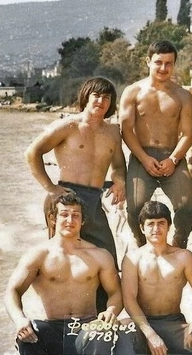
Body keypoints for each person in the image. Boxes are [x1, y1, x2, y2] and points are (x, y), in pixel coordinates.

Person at [4, 192, 134, 355]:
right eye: (64, 214)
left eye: (75, 216)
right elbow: (12, 291)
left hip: (89, 328)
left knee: (121, 329)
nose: (70, 221)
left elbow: (115, 292)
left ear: (83, 221)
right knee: (27, 333)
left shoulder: (99, 255)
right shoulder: (38, 255)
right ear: (53, 219)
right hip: (53, 328)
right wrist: (19, 320)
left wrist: (110, 311)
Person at [26, 76, 125, 263]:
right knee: (65, 259)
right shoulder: (68, 126)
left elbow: (119, 166)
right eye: (96, 95)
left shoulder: (113, 132)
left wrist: (120, 181)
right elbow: (32, 153)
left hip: (95, 200)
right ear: (86, 97)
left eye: (106, 97)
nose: (101, 101)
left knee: (107, 257)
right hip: (67, 196)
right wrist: (50, 188)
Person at [119, 40, 192, 249]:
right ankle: (144, 247)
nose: (163, 68)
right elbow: (126, 130)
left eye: (168, 63)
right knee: (135, 207)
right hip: (141, 154)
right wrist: (144, 159)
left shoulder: (183, 95)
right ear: (148, 62)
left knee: (188, 206)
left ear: (174, 65)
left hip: (173, 155)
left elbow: (188, 134)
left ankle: (178, 246)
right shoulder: (133, 92)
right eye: (158, 62)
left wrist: (173, 159)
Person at [120, 201, 192, 355]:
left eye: (161, 223)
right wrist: (150, 334)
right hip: (142, 323)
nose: (156, 229)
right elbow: (129, 300)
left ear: (169, 226)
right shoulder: (133, 259)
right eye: (150, 224)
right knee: (123, 332)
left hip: (174, 322)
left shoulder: (184, 257)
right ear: (142, 228)